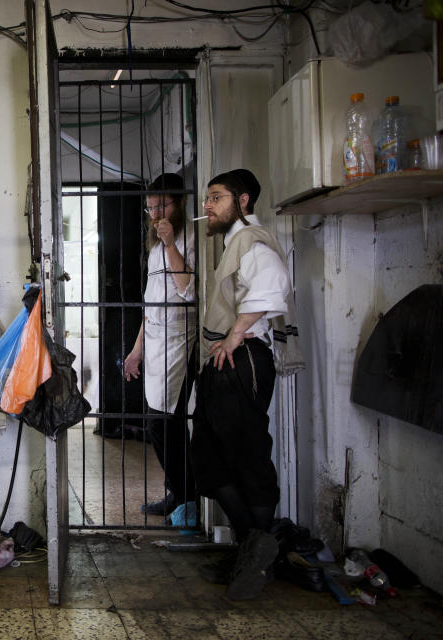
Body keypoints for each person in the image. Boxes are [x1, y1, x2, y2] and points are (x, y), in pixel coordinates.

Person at [190, 169, 291, 600]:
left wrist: (235, 334)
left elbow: (271, 286)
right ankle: (256, 547)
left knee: (247, 455)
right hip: (223, 359)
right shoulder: (234, 244)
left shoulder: (252, 240)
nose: (208, 206)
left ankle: (255, 550)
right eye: (207, 199)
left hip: (243, 357)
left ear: (243, 201)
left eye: (216, 198)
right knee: (210, 458)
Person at [122, 173, 197, 517]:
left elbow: (188, 290)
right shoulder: (153, 248)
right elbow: (151, 306)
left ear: (179, 202)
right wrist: (136, 350)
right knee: (159, 421)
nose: (154, 215)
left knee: (164, 423)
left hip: (178, 341)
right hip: (154, 340)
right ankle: (179, 492)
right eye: (149, 208)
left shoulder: (189, 238)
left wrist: (170, 245)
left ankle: (184, 495)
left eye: (160, 206)